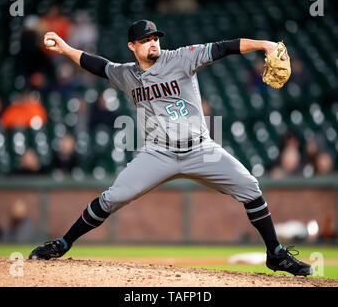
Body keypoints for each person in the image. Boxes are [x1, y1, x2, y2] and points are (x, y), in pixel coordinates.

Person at [29, 20, 312, 276]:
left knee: (250, 187)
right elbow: (97, 65)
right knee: (112, 198)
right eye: (145, 39)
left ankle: (275, 254)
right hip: (158, 152)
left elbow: (225, 47)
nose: (153, 42)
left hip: (200, 149)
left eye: (155, 38)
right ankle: (63, 243)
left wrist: (264, 44)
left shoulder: (181, 57)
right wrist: (66, 49)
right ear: (132, 46)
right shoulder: (125, 74)